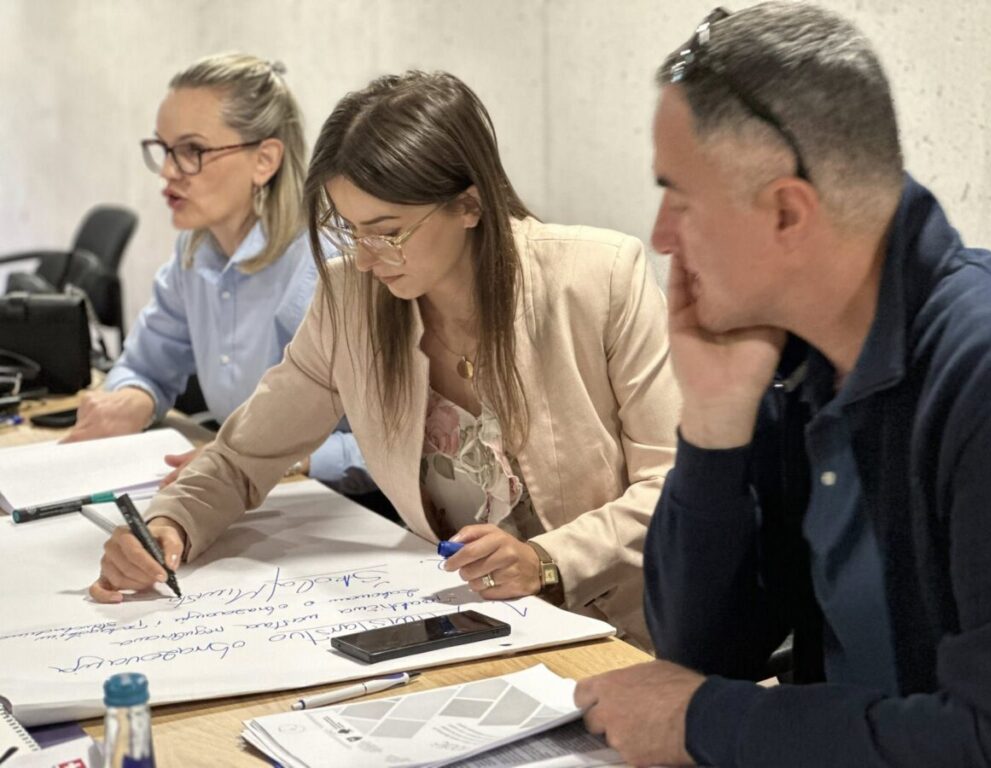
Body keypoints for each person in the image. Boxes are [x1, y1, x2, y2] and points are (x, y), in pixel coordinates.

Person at [87, 70, 680, 649]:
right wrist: (167, 526)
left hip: (622, 633)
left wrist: (548, 560)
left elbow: (673, 485)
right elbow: (244, 455)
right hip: (473, 630)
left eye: (387, 231)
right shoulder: (351, 299)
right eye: (349, 230)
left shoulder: (599, 278)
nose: (366, 259)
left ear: (469, 204)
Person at [576, 3, 991, 766]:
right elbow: (698, 653)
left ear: (788, 211)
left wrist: (709, 722)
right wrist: (713, 421)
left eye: (679, 198)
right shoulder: (795, 356)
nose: (660, 237)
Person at [63, 53, 373, 497]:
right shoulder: (194, 253)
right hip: (248, 492)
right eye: (164, 150)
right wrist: (136, 398)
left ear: (264, 160)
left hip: (345, 506)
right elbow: (144, 366)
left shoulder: (331, 264)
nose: (168, 172)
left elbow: (406, 445)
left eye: (193, 151)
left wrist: (280, 459)